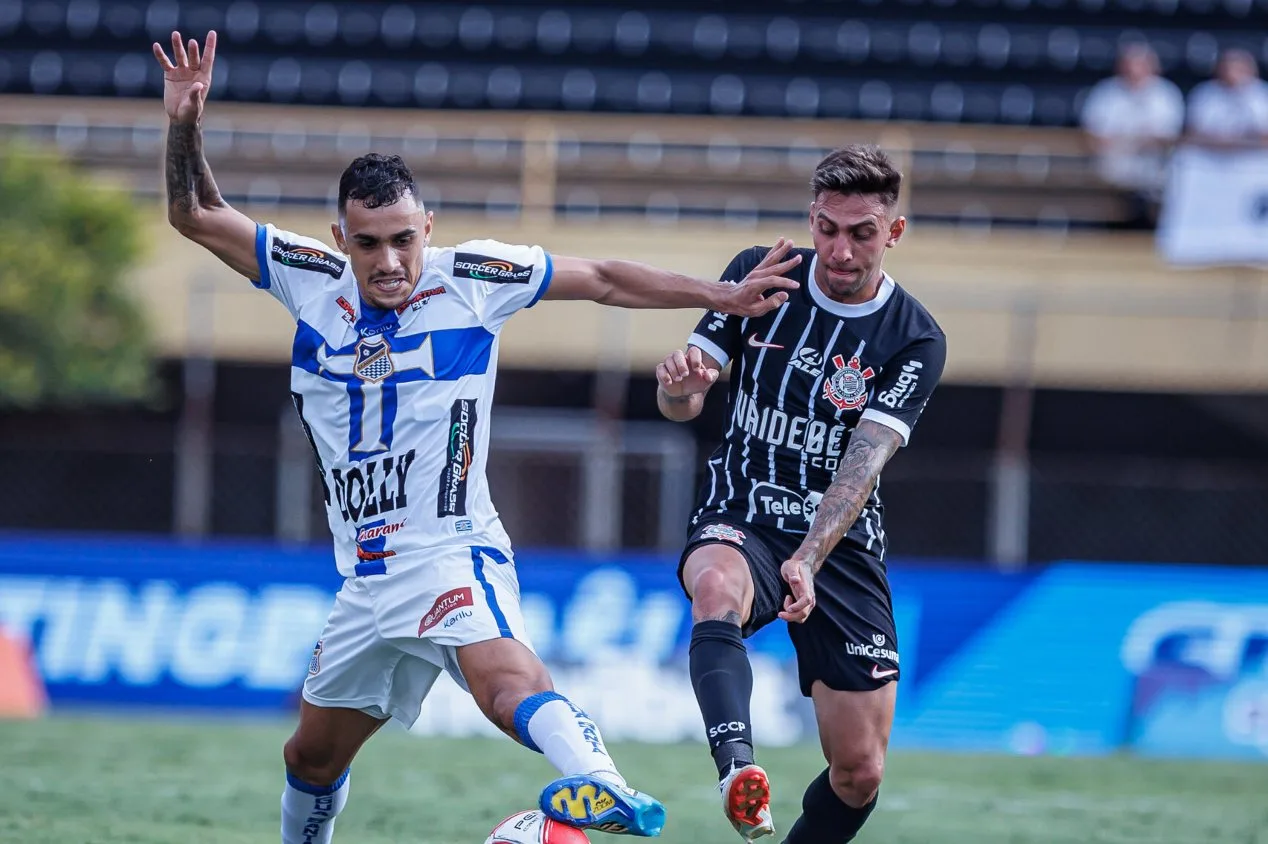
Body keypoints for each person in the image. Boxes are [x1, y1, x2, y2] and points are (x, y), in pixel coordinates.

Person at [152, 30, 798, 844]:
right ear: (339, 236)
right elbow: (194, 211)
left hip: (449, 548)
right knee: (310, 758)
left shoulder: (476, 278)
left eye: (404, 238)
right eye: (368, 242)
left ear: (429, 224)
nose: (389, 260)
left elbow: (600, 278)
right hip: (364, 578)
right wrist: (185, 121)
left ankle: (604, 786)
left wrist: (721, 295)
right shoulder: (306, 278)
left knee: (501, 684)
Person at [655, 145, 946, 843]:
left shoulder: (915, 337)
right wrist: (677, 390)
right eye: (827, 228)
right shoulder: (764, 274)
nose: (840, 251)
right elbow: (686, 403)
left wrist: (810, 557)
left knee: (860, 772)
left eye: (862, 233)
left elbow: (862, 463)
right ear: (812, 219)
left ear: (894, 233)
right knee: (717, 588)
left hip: (839, 542)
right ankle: (737, 774)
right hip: (743, 506)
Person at [1079, 42, 1185, 229]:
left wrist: (1133, 141)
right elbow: (1095, 136)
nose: (1134, 71)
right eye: (1129, 65)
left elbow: (1167, 138)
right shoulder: (1106, 93)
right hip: (1115, 162)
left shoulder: (1166, 94)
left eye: (1140, 64)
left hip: (1154, 163)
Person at [1185, 48, 1268, 150]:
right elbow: (1192, 132)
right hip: (1209, 153)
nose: (1231, 73)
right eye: (1227, 68)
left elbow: (1265, 135)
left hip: (1251, 155)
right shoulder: (1204, 92)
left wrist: (1235, 141)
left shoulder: (1262, 93)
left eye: (1238, 68)